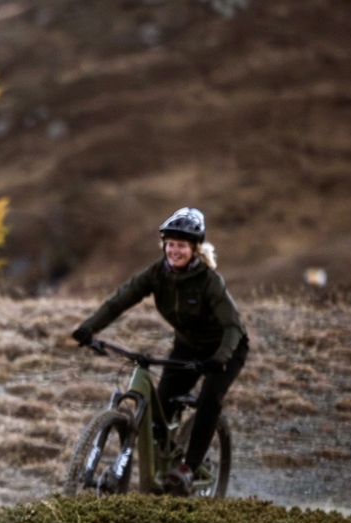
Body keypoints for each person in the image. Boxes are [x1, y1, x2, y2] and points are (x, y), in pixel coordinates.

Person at [72, 207, 248, 495]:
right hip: (187, 347)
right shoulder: (156, 274)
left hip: (226, 349)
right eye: (170, 244)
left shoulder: (209, 282)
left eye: (182, 245)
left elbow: (233, 327)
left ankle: (189, 468)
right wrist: (88, 328)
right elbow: (120, 300)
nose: (175, 251)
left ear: (195, 249)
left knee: (209, 399)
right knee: (161, 407)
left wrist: (220, 357)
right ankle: (164, 468)